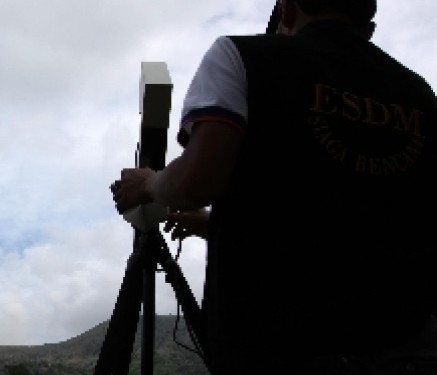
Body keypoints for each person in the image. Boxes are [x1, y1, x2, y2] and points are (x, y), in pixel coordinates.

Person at [110, 0, 436, 373]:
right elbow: (350, 214)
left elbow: (195, 181)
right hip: (406, 342)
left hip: (276, 344)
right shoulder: (420, 94)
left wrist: (150, 183)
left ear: (288, 11)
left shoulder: (241, 56)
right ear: (368, 28)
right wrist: (210, 225)